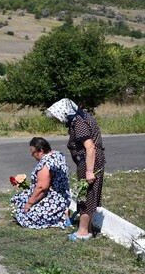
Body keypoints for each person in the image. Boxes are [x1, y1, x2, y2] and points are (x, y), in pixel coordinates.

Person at [46, 98, 106, 241]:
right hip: (90, 162)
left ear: (63, 113)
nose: (58, 121)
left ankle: (83, 232)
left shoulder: (79, 123)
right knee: (89, 196)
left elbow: (90, 147)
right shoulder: (82, 118)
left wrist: (89, 171)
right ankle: (88, 229)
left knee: (85, 197)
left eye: (57, 118)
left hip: (90, 163)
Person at [10, 137, 71, 229]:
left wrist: (29, 204)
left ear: (41, 151)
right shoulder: (58, 155)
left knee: (25, 215)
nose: (33, 156)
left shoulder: (46, 163)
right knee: (20, 199)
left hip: (53, 198)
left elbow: (42, 188)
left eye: (33, 153)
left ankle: (61, 215)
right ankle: (62, 212)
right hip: (63, 195)